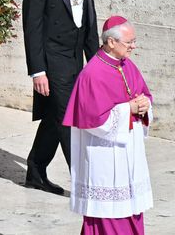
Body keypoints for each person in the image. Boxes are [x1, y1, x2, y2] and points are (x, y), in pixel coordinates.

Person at [22, 0, 99, 194]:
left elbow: (89, 20)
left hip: (75, 56)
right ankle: (83, 181)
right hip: (53, 59)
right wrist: (38, 71)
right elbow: (32, 27)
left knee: (56, 115)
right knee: (69, 118)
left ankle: (36, 169)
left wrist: (98, 62)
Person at [64, 15, 153, 234]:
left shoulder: (128, 65)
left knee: (131, 209)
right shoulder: (92, 74)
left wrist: (144, 105)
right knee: (108, 216)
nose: (134, 46)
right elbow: (93, 120)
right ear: (111, 42)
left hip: (129, 155)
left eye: (134, 40)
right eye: (129, 42)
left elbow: (144, 95)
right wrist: (128, 109)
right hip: (104, 158)